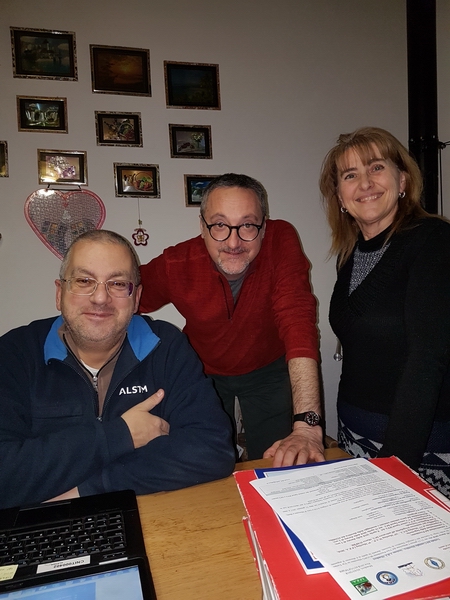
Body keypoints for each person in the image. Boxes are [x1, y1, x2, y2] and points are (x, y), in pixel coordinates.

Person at [0, 230, 235, 509]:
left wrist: (90, 489)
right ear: (60, 292)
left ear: (136, 298)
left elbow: (213, 448)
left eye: (118, 284)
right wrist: (121, 435)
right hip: (42, 526)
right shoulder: (15, 353)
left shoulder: (166, 346)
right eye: (84, 281)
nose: (101, 298)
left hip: (150, 517)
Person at [139, 173, 324, 466]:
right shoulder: (177, 262)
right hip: (204, 371)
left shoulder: (281, 239)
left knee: (277, 458)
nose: (233, 241)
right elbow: (123, 293)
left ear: (264, 227)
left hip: (268, 369)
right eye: (220, 225)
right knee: (206, 460)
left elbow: (298, 321)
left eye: (248, 225)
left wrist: (308, 425)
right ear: (202, 227)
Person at [319, 126, 450, 497]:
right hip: (355, 435)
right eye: (350, 175)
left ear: (402, 180)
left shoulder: (434, 241)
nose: (365, 183)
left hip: (419, 449)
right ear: (340, 196)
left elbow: (427, 359)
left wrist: (395, 467)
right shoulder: (350, 254)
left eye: (376, 168)